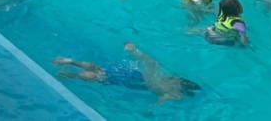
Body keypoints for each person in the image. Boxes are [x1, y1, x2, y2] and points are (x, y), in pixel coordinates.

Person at [54, 43, 200, 105]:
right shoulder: (174, 94)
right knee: (100, 76)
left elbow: (150, 62)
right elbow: (159, 101)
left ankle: (73, 62)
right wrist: (150, 110)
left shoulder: (165, 77)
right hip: (135, 82)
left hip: (135, 72)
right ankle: (71, 74)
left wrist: (134, 50)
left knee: (100, 69)